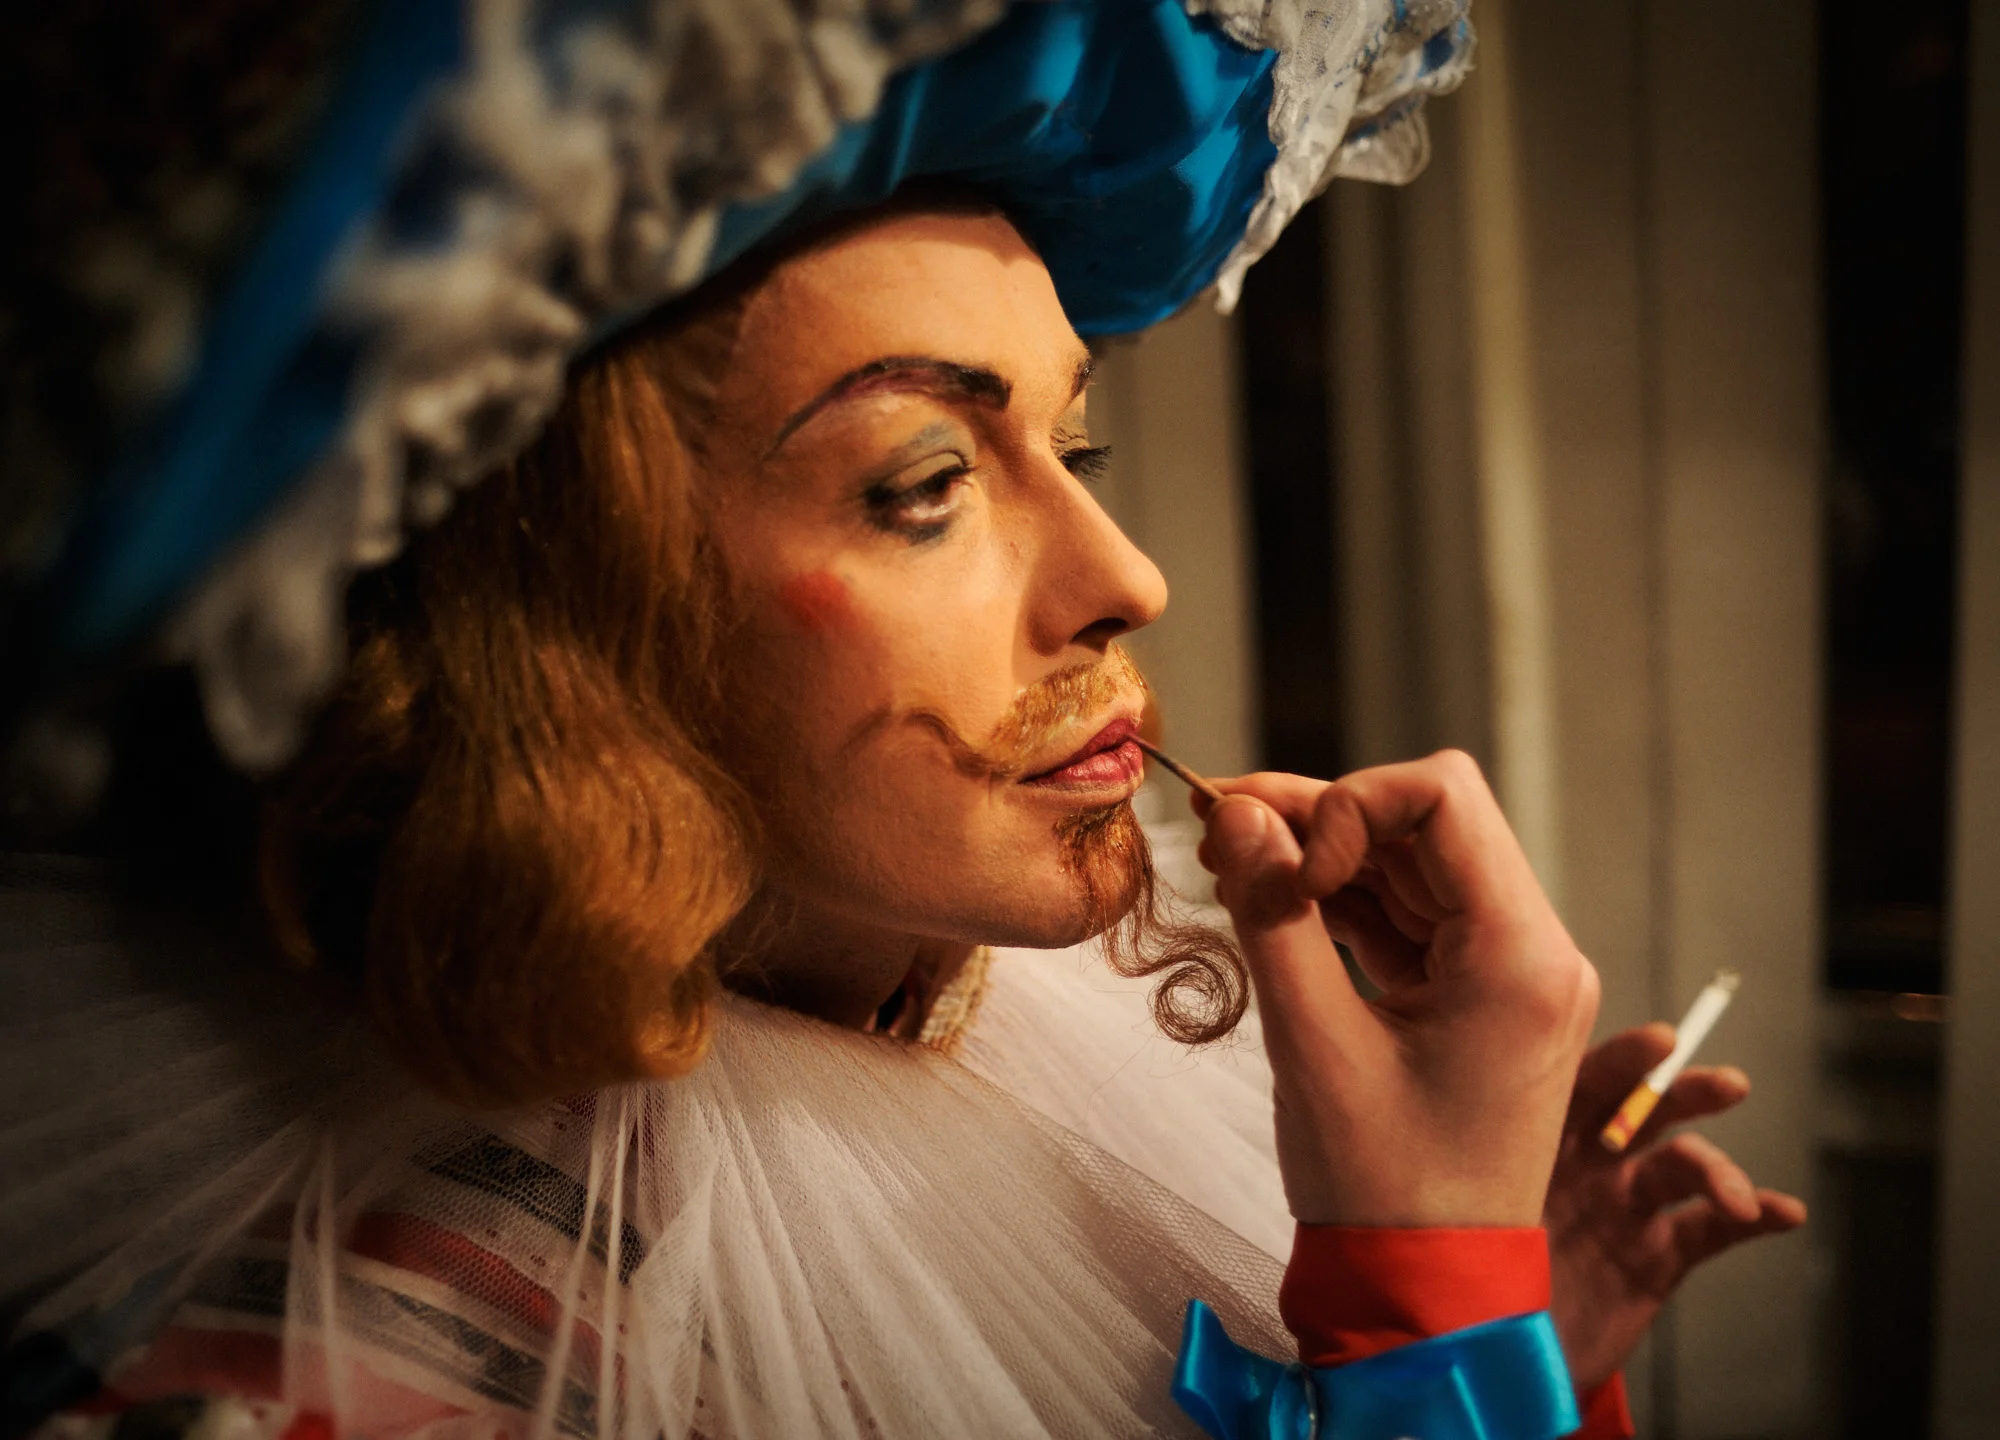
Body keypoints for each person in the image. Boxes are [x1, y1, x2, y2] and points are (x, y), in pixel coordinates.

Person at [2, 3, 1803, 1436]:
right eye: (924, 483)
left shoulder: (1028, 1047)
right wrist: (1437, 1315)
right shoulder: (419, 1362)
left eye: (1077, 441)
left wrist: (1503, 1340)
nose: (1128, 575)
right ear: (578, 620)